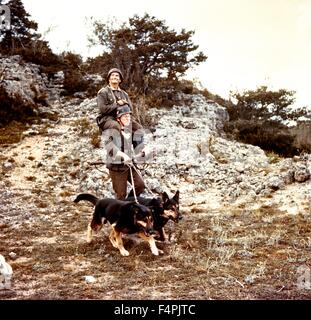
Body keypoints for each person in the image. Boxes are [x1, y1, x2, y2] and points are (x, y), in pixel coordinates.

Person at [102, 104, 145, 200]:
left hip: (130, 164)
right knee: (121, 195)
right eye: (125, 116)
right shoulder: (112, 130)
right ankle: (121, 209)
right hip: (116, 167)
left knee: (140, 185)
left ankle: (129, 202)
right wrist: (123, 156)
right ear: (118, 119)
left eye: (129, 116)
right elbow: (110, 148)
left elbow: (138, 145)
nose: (128, 118)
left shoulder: (131, 130)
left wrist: (142, 150)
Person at [96, 68, 143, 148]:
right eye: (112, 75)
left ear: (120, 80)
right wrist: (117, 104)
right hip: (107, 119)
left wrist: (125, 113)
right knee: (115, 126)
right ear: (109, 79)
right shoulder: (103, 92)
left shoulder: (124, 94)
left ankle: (139, 154)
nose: (115, 77)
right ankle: (117, 155)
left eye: (117, 76)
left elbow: (130, 109)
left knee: (138, 128)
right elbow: (102, 109)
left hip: (122, 118)